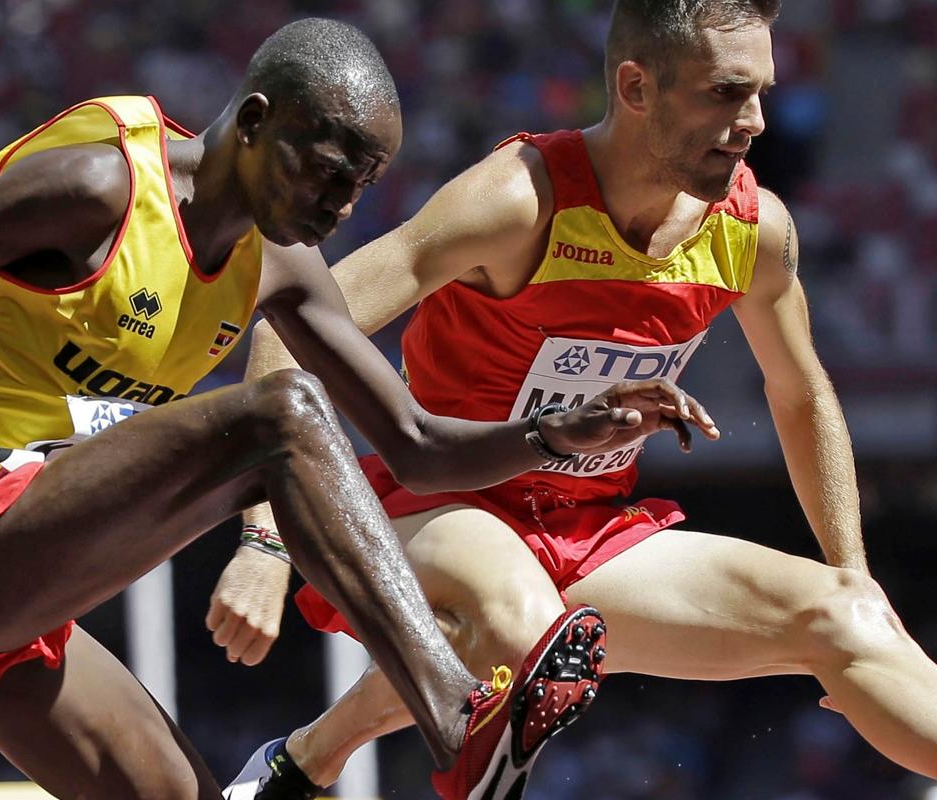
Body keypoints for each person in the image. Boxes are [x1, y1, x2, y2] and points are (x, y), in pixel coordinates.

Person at [0, 18, 713, 800]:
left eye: (358, 187)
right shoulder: (99, 189)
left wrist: (549, 433)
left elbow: (419, 447)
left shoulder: (280, 265)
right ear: (250, 121)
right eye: (321, 168)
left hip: (13, 587)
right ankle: (456, 718)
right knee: (275, 411)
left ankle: (460, 735)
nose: (335, 205)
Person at [216, 3, 937, 799]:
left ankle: (297, 766)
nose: (756, 122)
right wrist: (264, 538)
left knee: (846, 617)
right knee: (520, 623)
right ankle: (318, 761)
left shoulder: (751, 230)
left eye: (762, 92)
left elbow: (801, 394)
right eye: (727, 93)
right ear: (635, 86)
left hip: (588, 538)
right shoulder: (517, 201)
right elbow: (293, 322)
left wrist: (855, 569)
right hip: (438, 510)